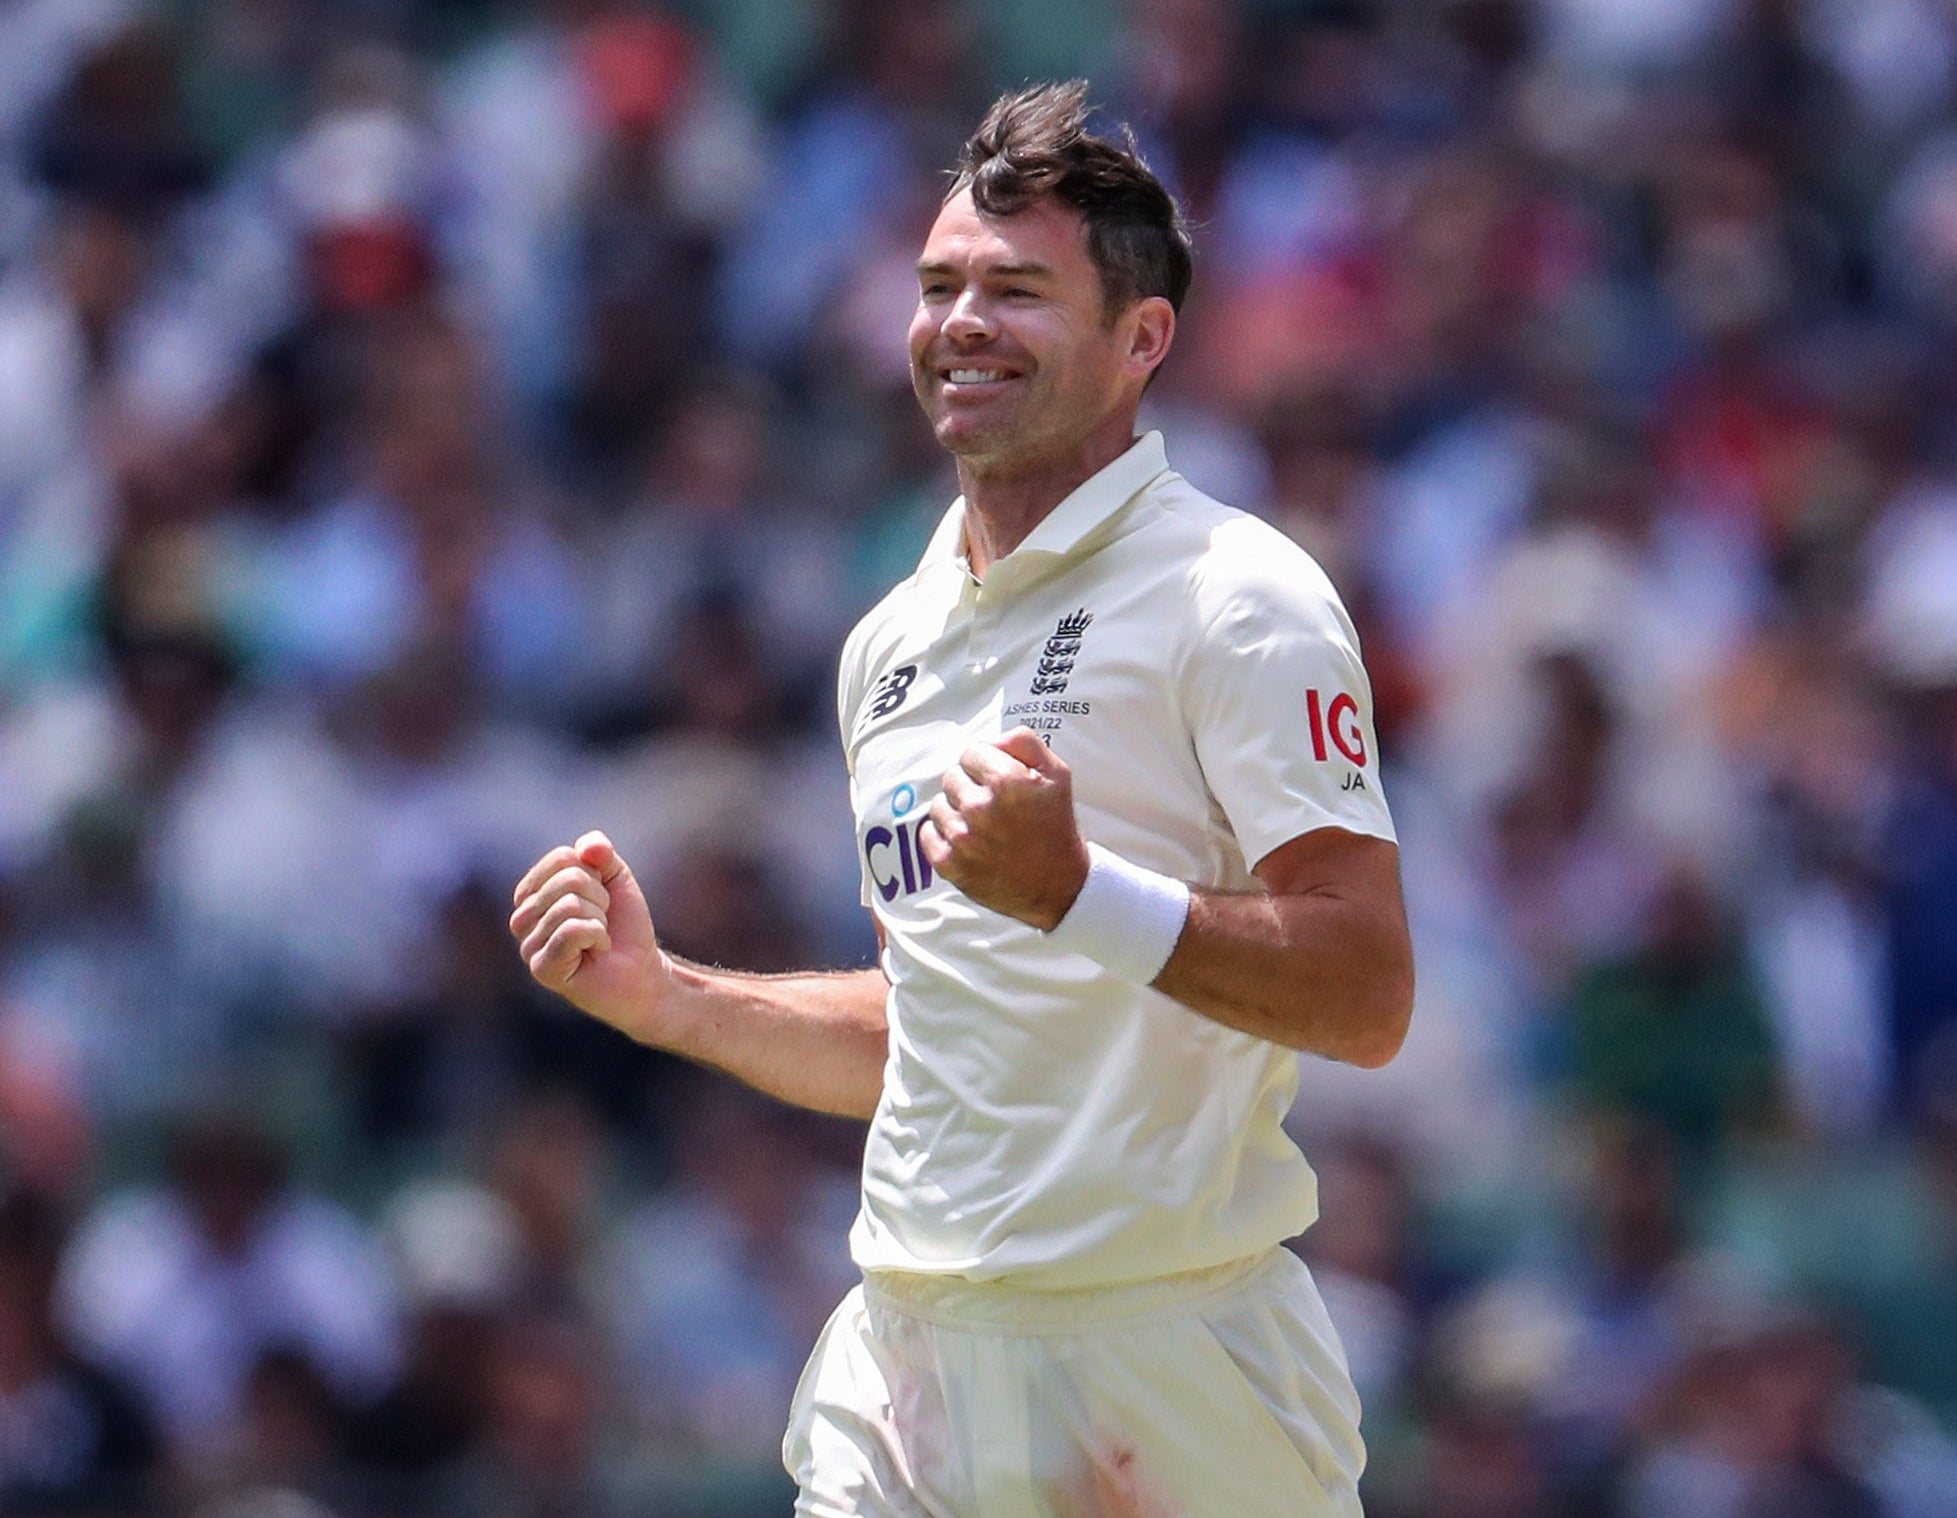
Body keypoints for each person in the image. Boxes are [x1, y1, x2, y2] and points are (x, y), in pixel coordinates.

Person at [510, 81, 1413, 1517]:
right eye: (939, 286)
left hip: (1166, 1361)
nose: (962, 323)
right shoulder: (893, 637)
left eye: (1016, 288)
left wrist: (1076, 891)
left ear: (1142, 340)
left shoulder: (1239, 598)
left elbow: (1367, 990)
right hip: (913, 1353)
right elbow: (943, 1024)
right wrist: (670, 994)